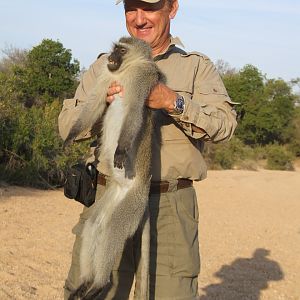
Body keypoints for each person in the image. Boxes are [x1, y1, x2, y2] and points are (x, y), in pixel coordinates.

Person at [58, 0, 237, 299]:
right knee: (90, 289)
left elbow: (225, 126)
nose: (139, 19)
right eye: (131, 8)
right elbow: (67, 125)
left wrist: (173, 102)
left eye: (150, 8)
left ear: (172, 8)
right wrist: (103, 103)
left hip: (170, 204)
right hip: (108, 189)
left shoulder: (195, 66)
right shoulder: (105, 64)